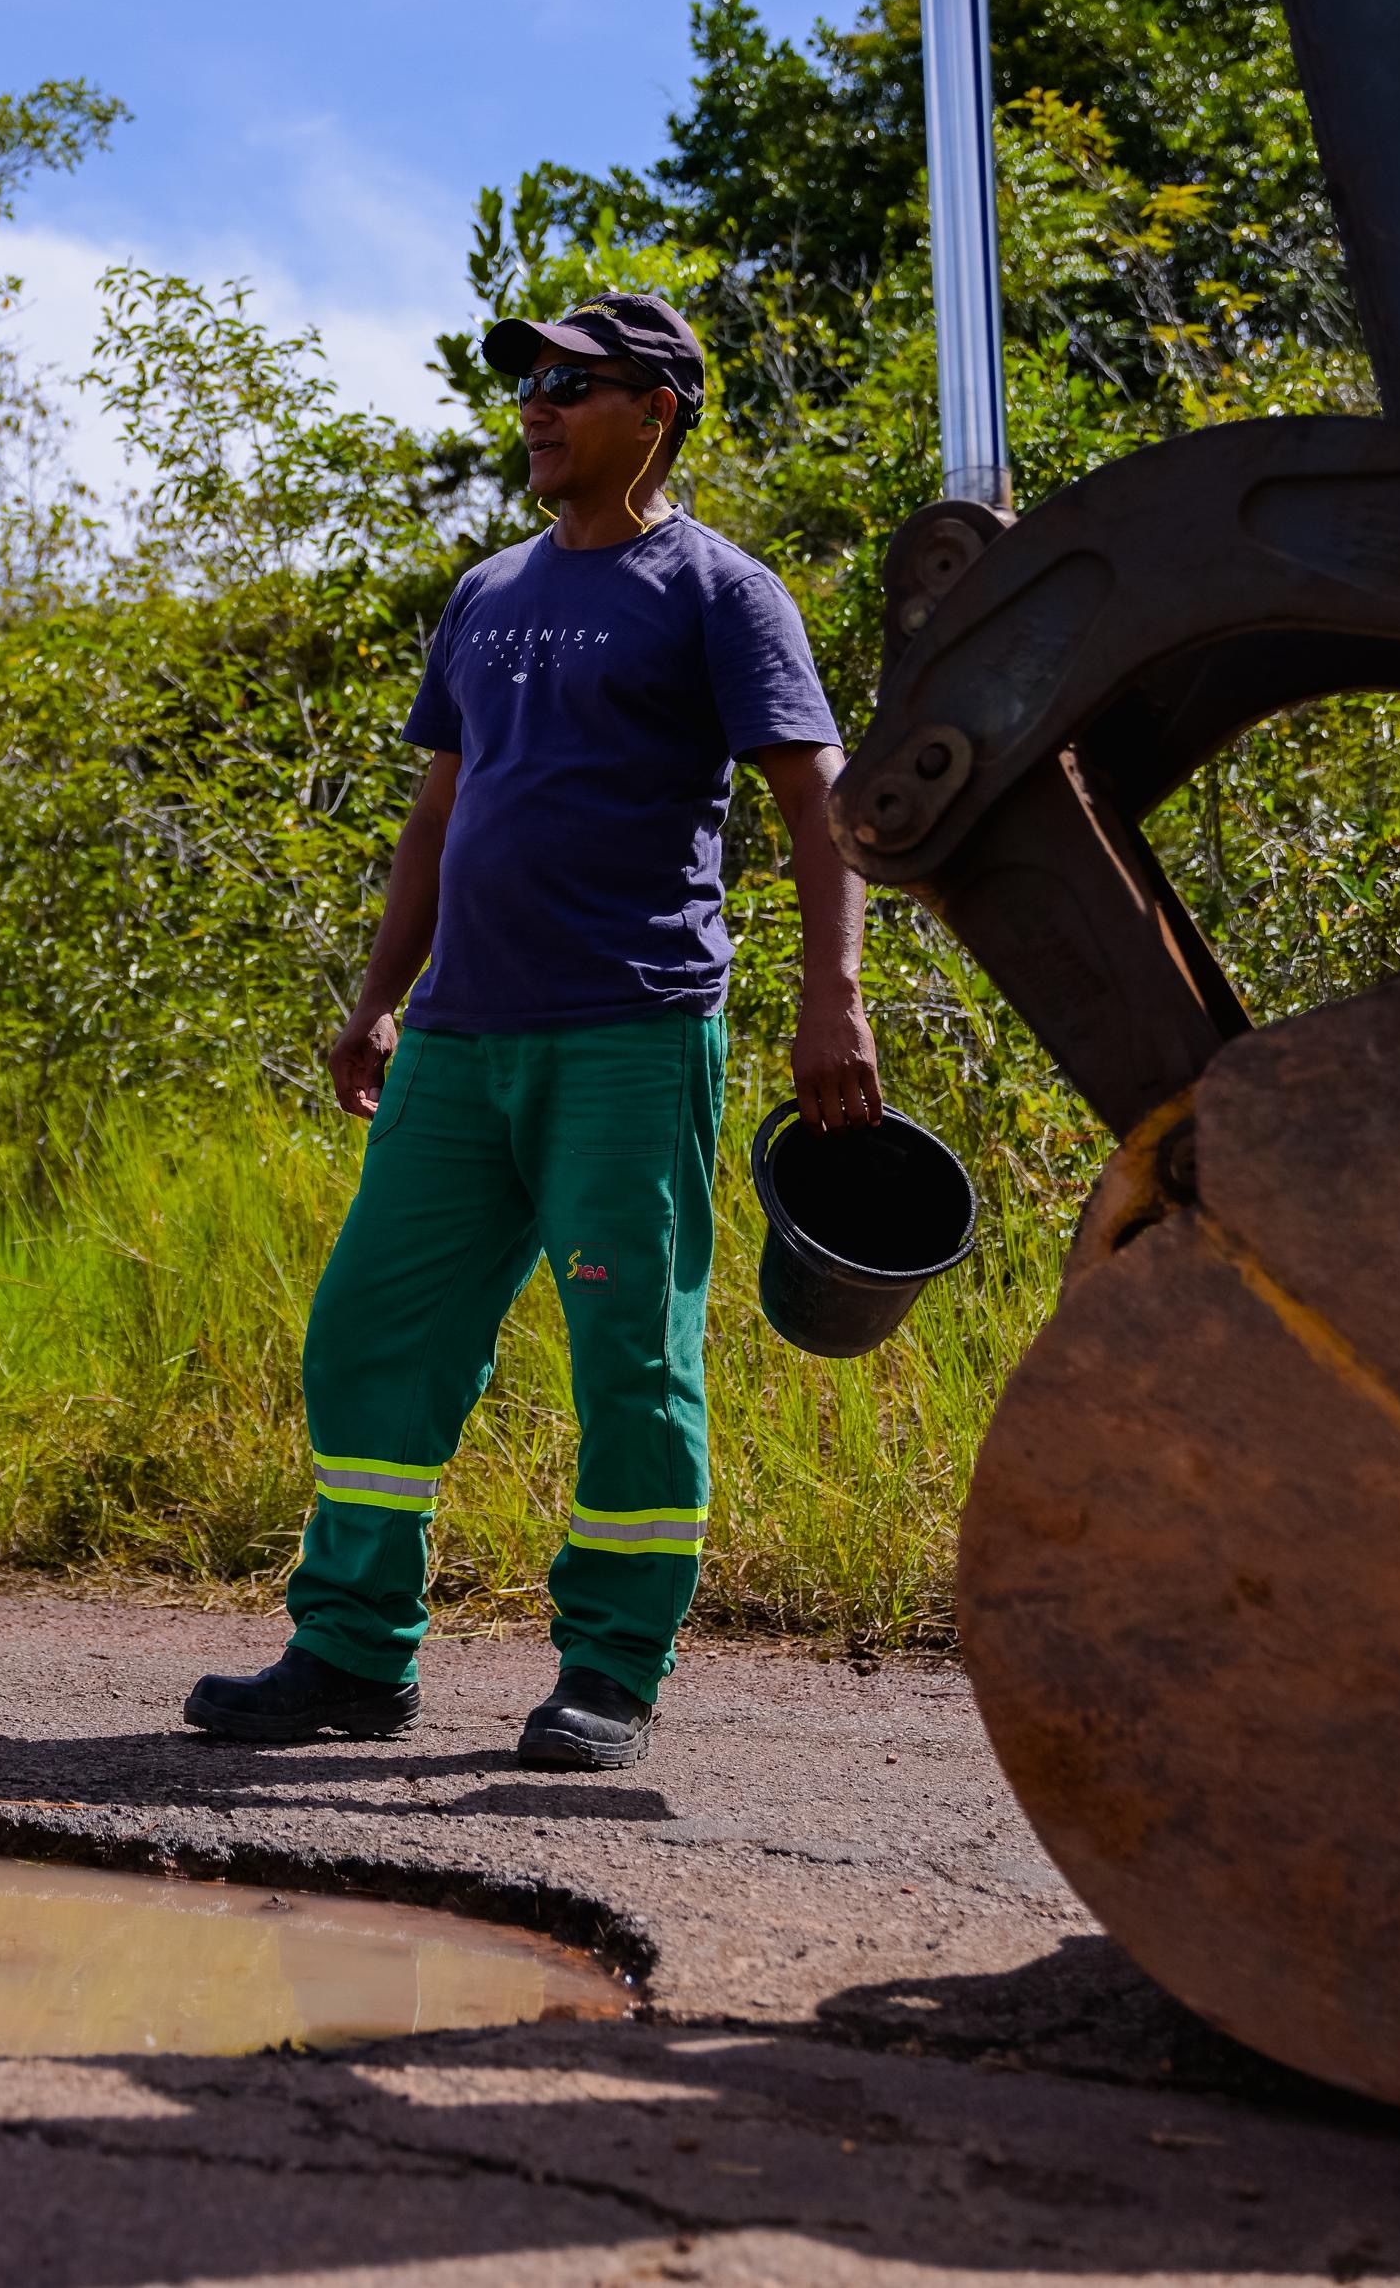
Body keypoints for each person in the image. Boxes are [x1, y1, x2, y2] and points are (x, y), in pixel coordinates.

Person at [184, 291, 882, 1774]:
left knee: (630, 1348)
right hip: (458, 1038)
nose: (538, 407)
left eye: (575, 383)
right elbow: (438, 810)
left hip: (630, 1030)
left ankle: (611, 1670)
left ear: (661, 406)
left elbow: (817, 806)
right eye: (530, 385)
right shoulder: (488, 591)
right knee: (374, 1329)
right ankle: (355, 1652)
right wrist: (378, 995)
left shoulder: (719, 590)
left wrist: (837, 995)